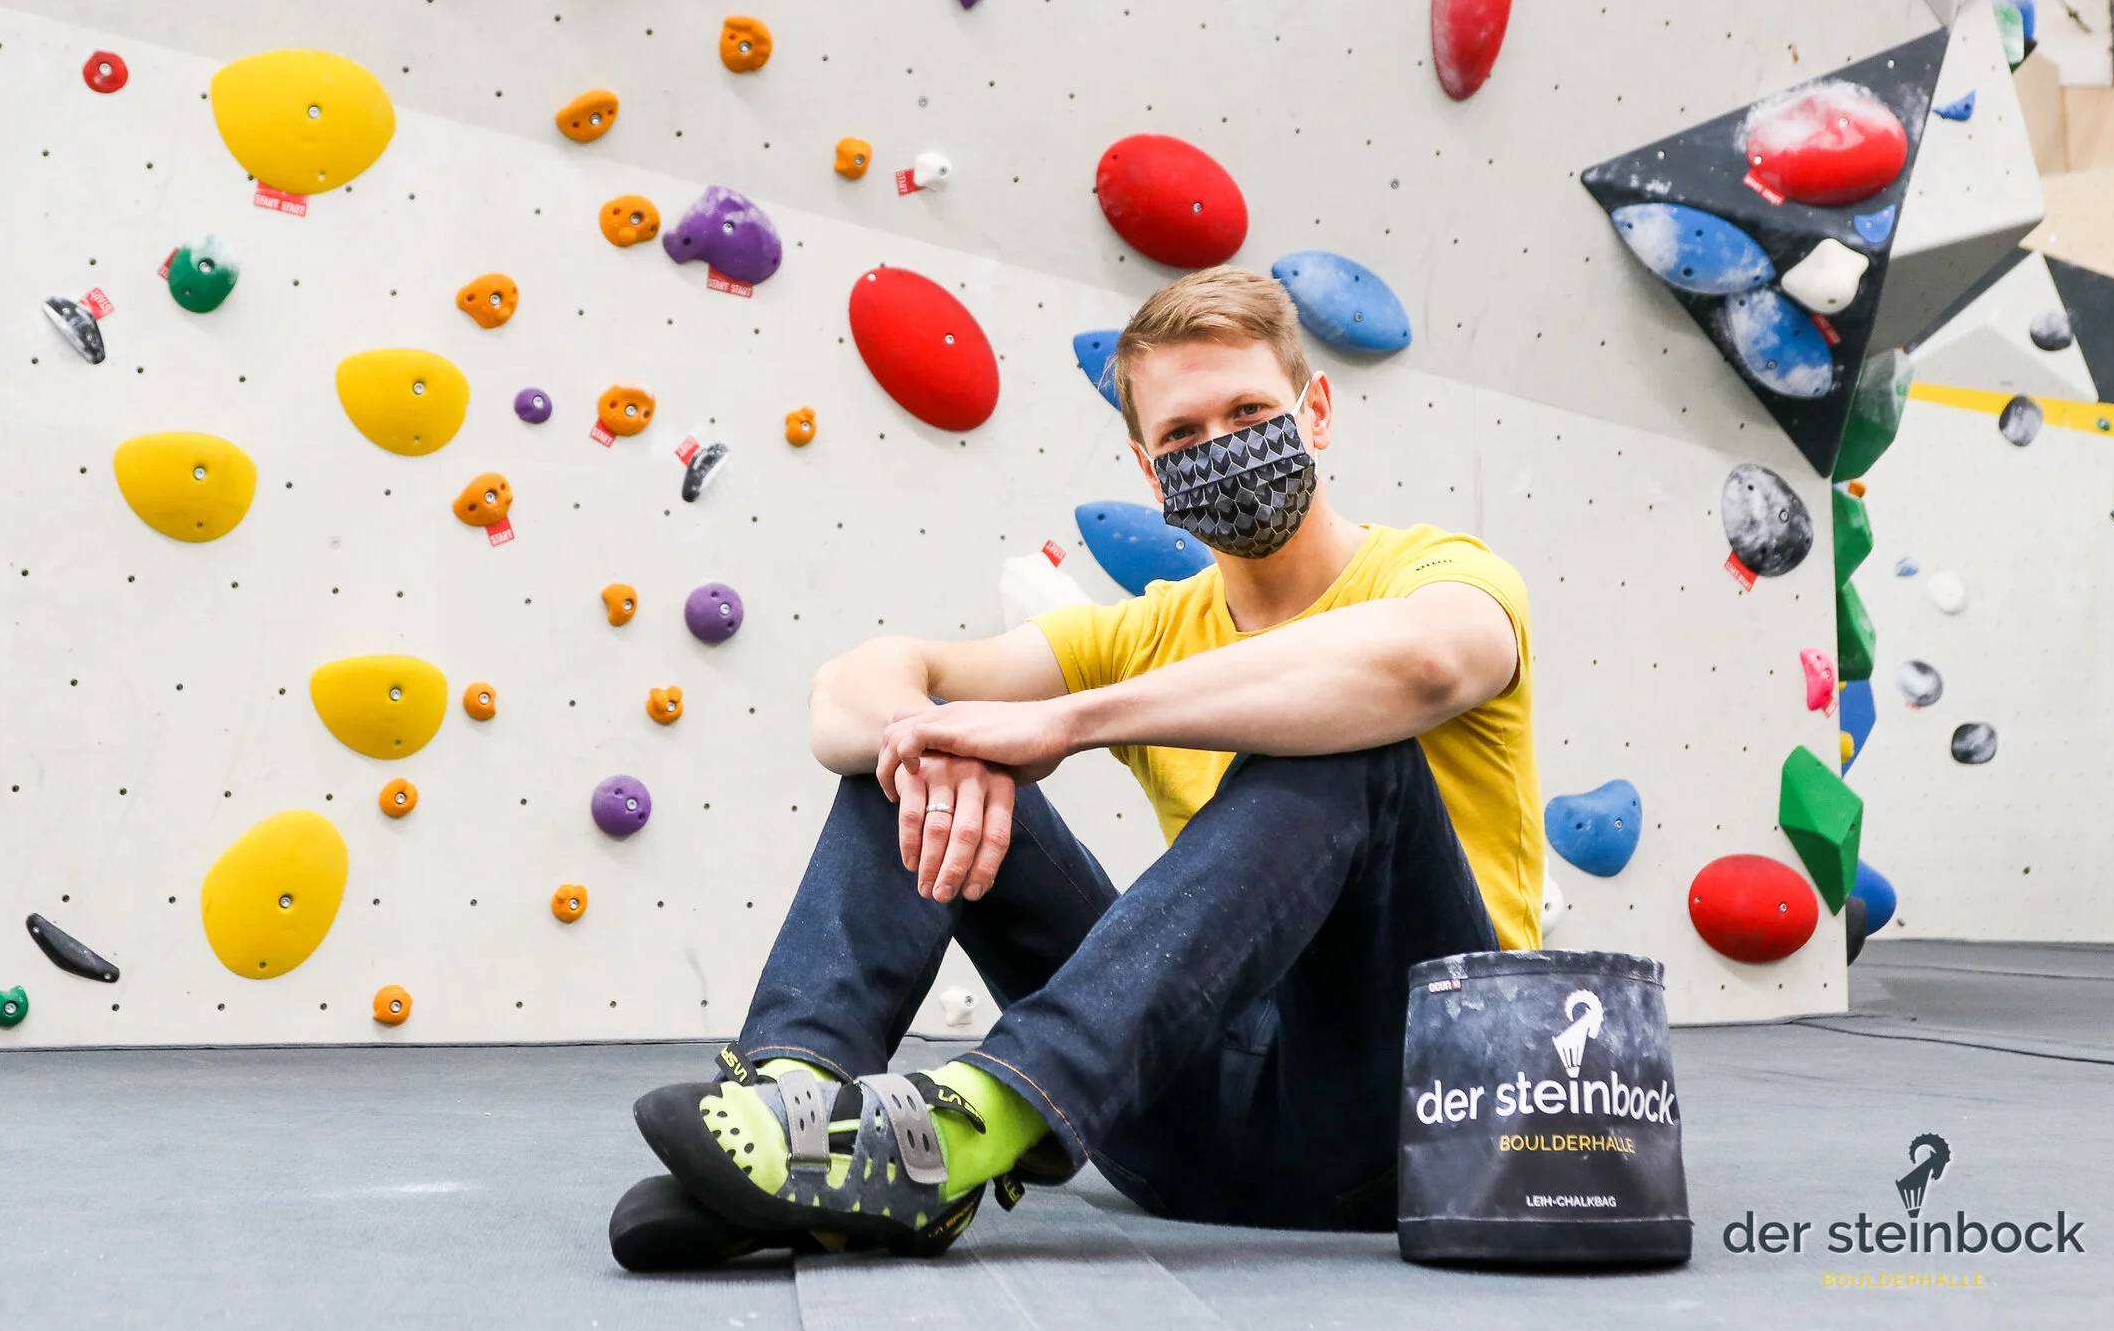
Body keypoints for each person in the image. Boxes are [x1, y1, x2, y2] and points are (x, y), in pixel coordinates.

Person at [611, 266, 1541, 1269]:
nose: (1221, 446)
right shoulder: (1147, 631)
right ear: (1150, 469)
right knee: (923, 746)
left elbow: (1429, 658)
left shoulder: (1438, 571)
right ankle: (798, 1112)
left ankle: (973, 1123)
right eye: (1183, 433)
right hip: (1168, 1127)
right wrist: (938, 736)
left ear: (1315, 413)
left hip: (1418, 1112)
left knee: (1353, 746)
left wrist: (1065, 722)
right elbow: (852, 687)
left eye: (1249, 410)